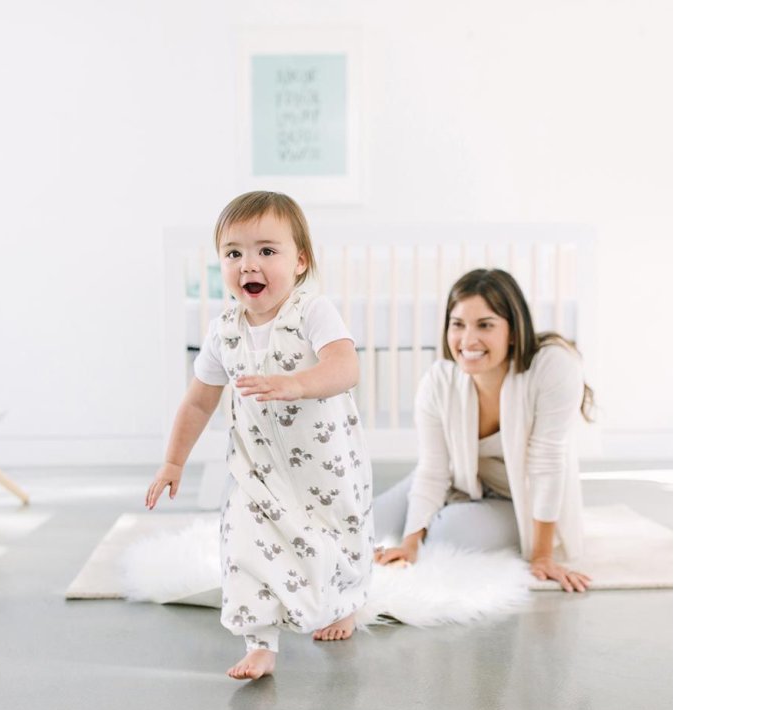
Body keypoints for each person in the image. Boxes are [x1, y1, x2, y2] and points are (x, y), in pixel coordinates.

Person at [146, 191, 374, 680]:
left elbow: (345, 367)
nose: (248, 264)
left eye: (267, 250)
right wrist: (173, 461)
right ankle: (260, 642)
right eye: (234, 253)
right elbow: (199, 401)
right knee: (243, 541)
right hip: (258, 468)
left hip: (325, 464)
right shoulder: (223, 332)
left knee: (337, 536)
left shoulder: (313, 312)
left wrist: (297, 384)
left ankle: (343, 603)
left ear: (300, 262)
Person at [372, 268, 594, 593]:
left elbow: (547, 463)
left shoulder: (553, 365)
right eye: (458, 324)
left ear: (513, 331)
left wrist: (542, 555)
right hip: (459, 482)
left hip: (518, 499)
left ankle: (455, 518)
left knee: (446, 536)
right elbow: (433, 470)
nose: (468, 340)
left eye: (485, 325)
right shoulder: (438, 381)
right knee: (366, 527)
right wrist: (409, 543)